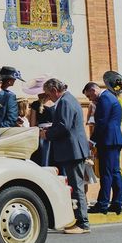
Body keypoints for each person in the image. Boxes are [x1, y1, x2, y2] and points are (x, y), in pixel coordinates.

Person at [41, 78, 90, 234]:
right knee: (76, 187)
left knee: (77, 188)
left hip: (73, 151)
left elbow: (64, 126)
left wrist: (47, 134)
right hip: (72, 150)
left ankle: (83, 223)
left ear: (55, 90)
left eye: (49, 94)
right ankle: (79, 220)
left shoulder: (65, 102)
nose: (49, 98)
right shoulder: (68, 99)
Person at [83, 82, 122, 215]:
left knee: (106, 173)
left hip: (108, 141)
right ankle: (117, 203)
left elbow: (101, 122)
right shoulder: (111, 97)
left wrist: (92, 141)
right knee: (115, 172)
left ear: (93, 90)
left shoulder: (104, 99)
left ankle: (102, 204)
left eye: (89, 96)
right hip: (115, 140)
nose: (90, 99)